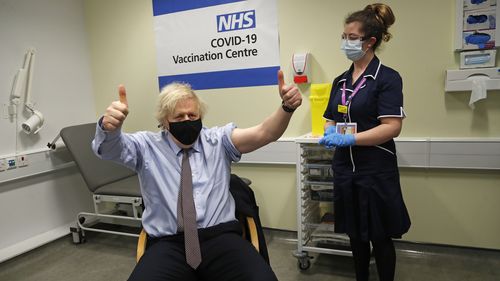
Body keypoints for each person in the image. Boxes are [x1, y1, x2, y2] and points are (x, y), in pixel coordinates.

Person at [92, 70, 301, 281]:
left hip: (221, 238)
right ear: (165, 121)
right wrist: (109, 129)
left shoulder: (218, 141)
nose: (187, 121)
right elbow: (109, 150)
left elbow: (265, 132)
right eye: (179, 117)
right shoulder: (146, 147)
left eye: (192, 115)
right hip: (168, 243)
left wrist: (287, 107)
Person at [318, 3, 411, 281]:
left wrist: (351, 139)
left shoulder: (387, 78)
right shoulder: (340, 81)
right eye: (344, 36)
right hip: (346, 170)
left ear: (370, 41)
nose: (345, 42)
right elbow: (330, 117)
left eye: (352, 37)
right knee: (355, 235)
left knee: (380, 236)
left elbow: (392, 127)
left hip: (375, 171)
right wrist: (329, 133)